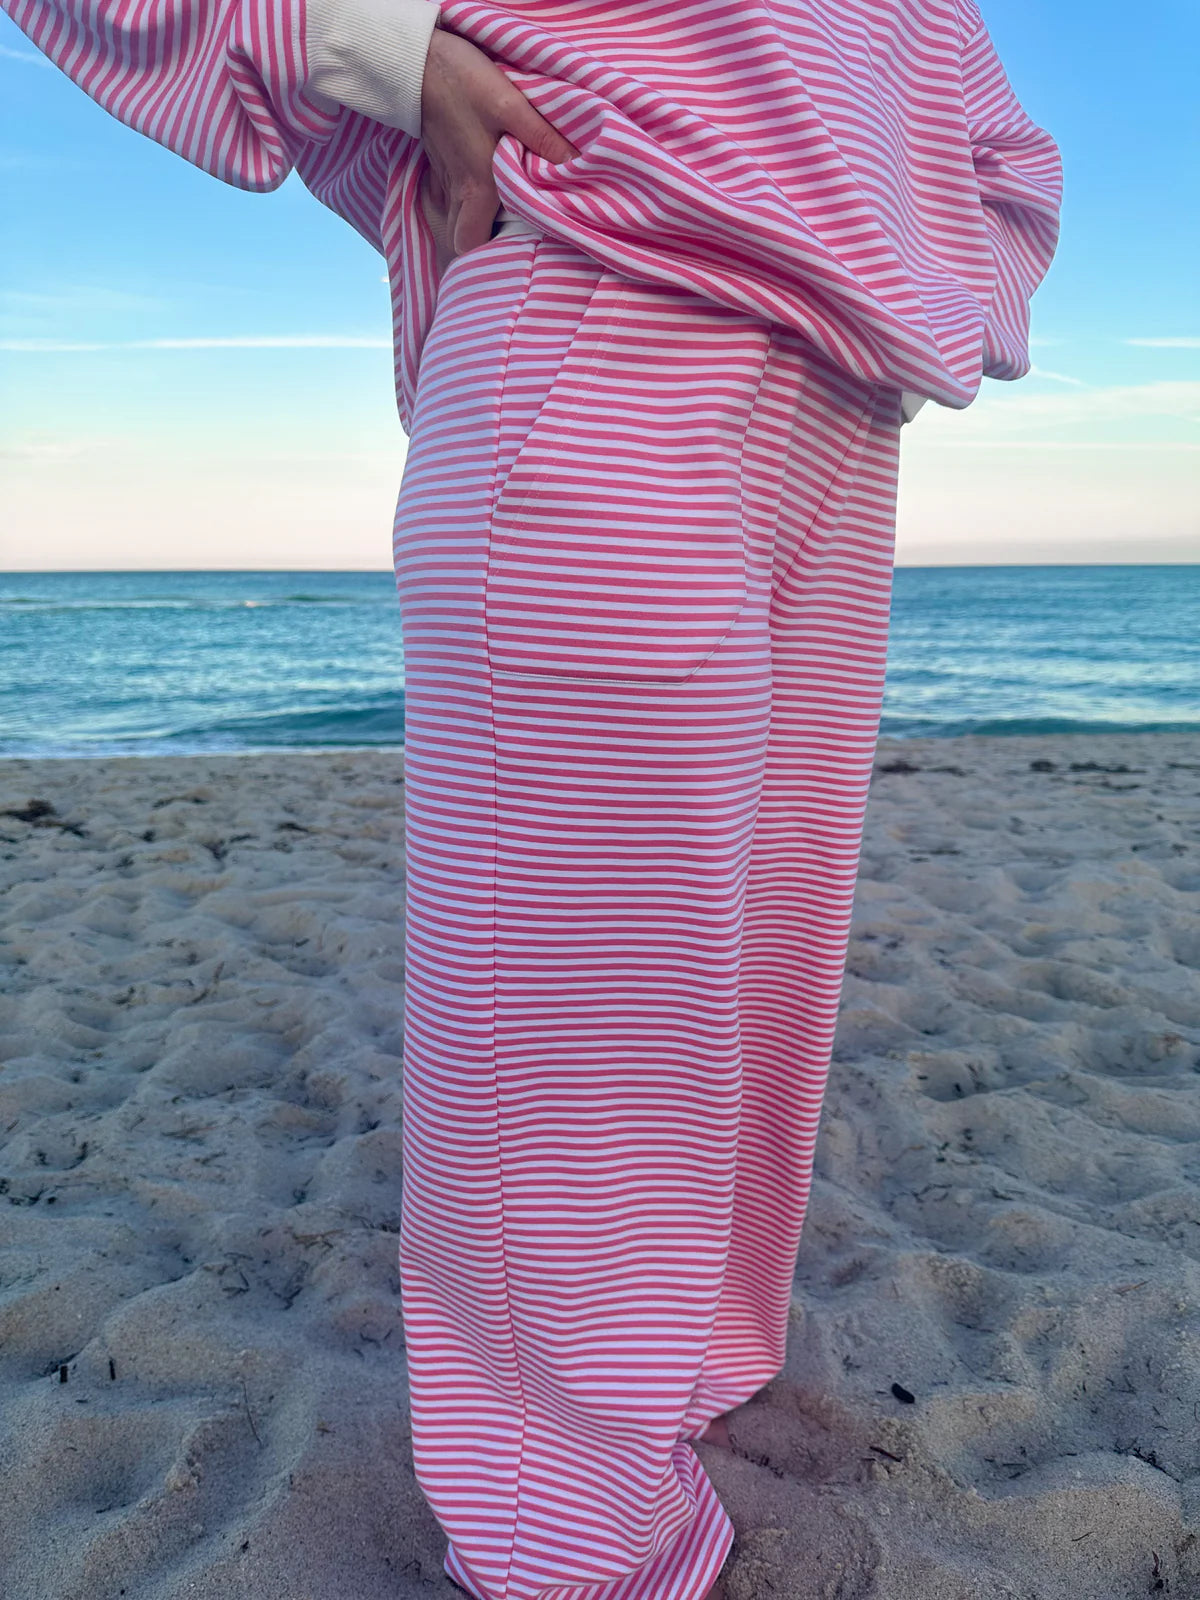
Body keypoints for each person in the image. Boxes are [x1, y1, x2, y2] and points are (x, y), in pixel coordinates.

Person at [2, 0, 1063, 1596]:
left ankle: (678, 1374)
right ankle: (571, 1543)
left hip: (843, 405)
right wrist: (379, 52)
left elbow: (1002, 151)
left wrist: (905, 273)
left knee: (749, 967)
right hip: (602, 311)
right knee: (576, 1031)